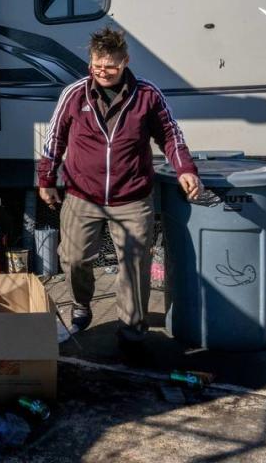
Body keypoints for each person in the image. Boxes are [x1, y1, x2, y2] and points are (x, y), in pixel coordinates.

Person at [37, 27, 200, 349]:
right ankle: (81, 306)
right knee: (73, 258)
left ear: (125, 62)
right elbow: (54, 138)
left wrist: (185, 169)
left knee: (134, 264)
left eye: (110, 65)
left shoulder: (148, 95)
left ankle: (131, 331)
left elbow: (170, 135)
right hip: (82, 195)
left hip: (133, 197)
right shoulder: (75, 94)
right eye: (97, 64)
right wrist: (46, 179)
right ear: (90, 62)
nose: (103, 71)